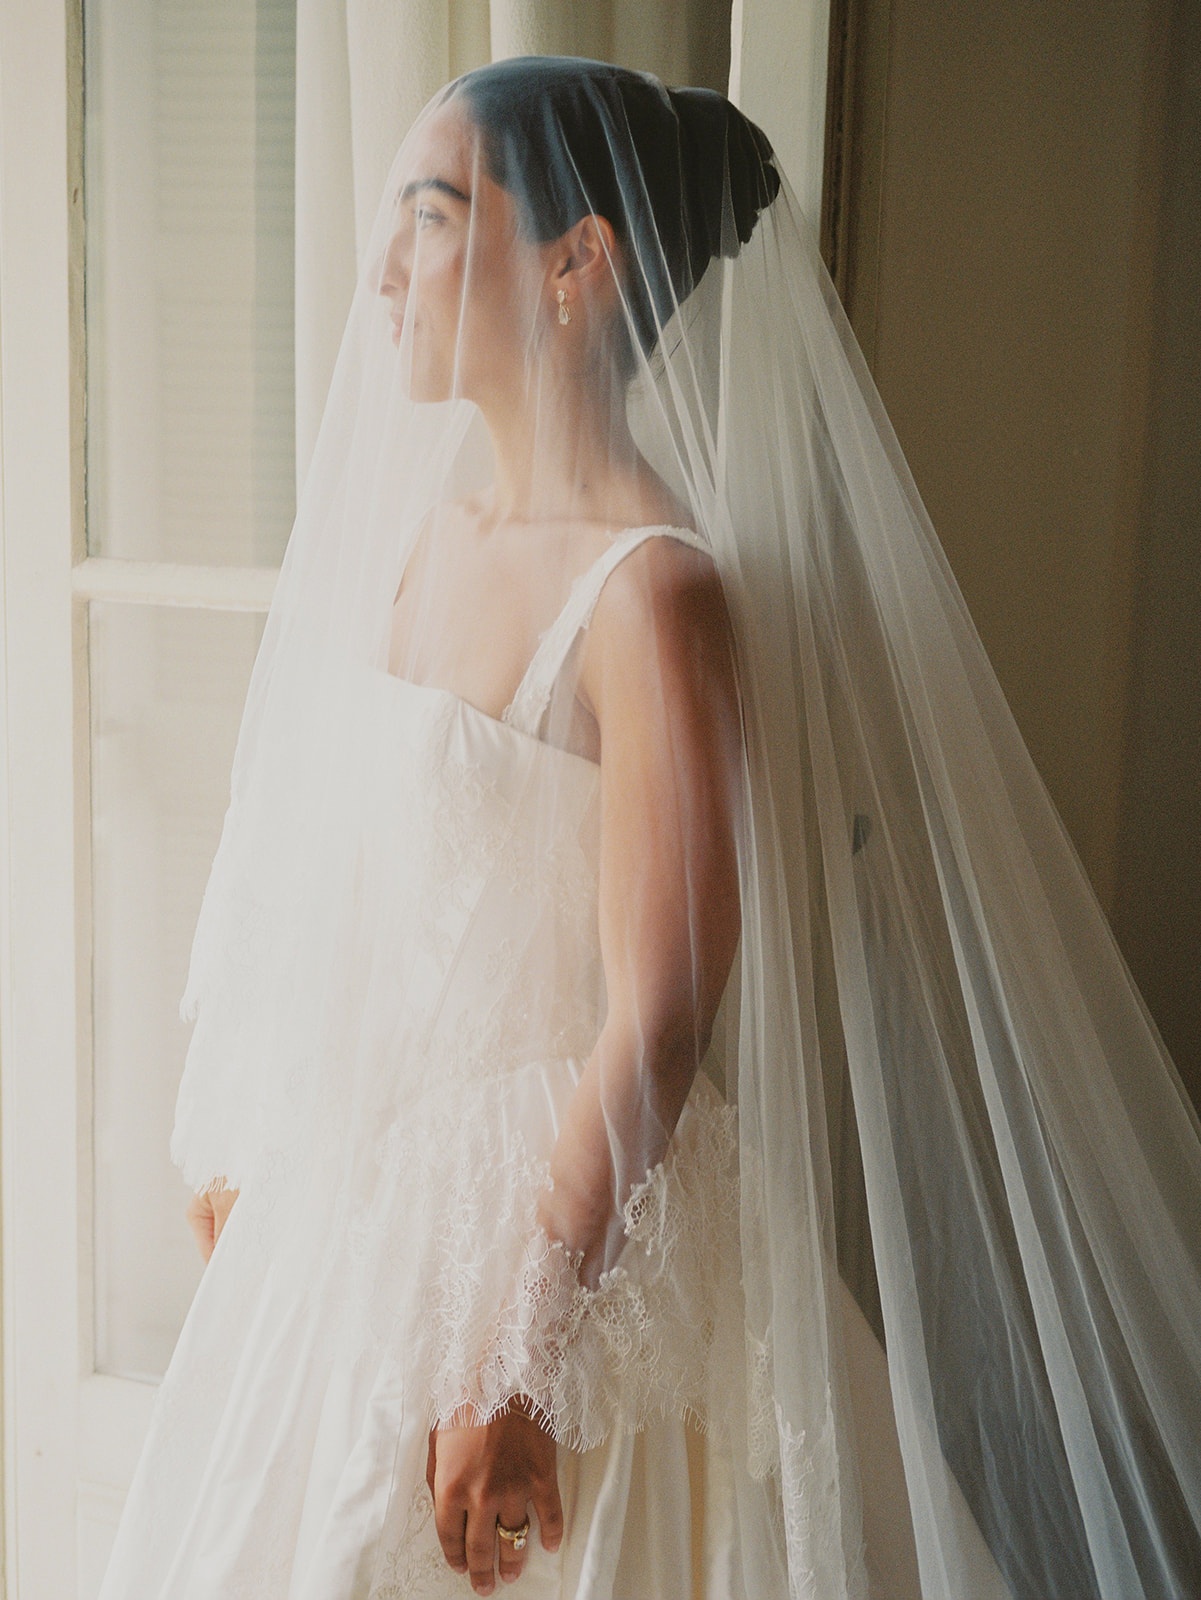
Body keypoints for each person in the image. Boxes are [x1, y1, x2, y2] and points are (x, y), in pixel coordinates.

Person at [99, 55, 1201, 1600]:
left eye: (429, 216)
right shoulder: (430, 540)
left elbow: (659, 1018)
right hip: (350, 1237)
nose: (381, 271)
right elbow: (338, 888)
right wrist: (252, 1152)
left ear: (577, 264)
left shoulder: (653, 593)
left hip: (546, 1238)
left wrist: (520, 1363)